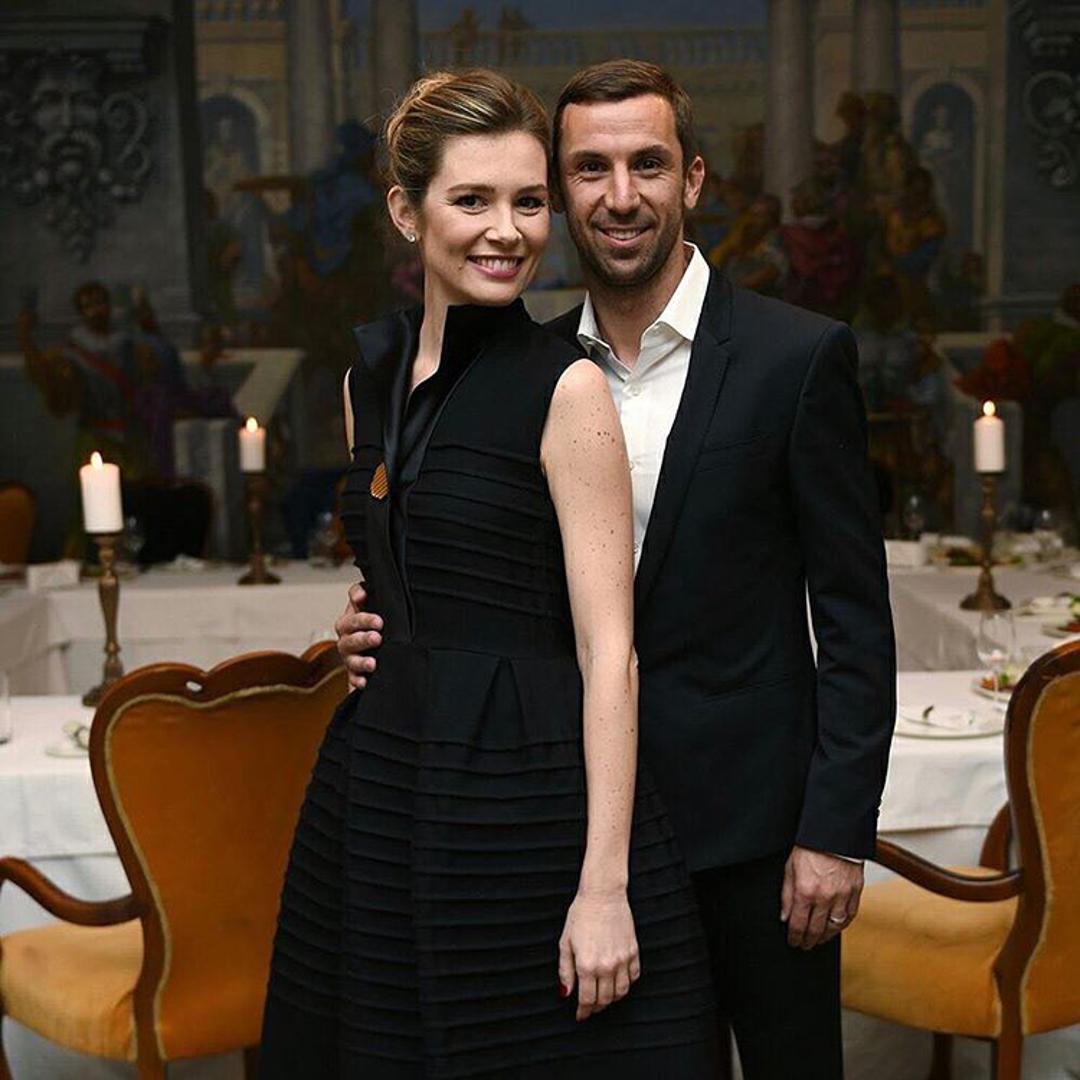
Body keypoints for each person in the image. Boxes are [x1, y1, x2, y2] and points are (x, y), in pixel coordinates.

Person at [338, 60, 897, 1079]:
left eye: (648, 164)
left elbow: (856, 617)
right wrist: (387, 620)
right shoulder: (527, 369)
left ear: (693, 178)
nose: (620, 196)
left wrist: (835, 832)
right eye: (589, 170)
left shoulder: (796, 358)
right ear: (561, 191)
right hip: (575, 827)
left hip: (754, 836)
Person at [260, 69, 719, 1078]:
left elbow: (610, 653)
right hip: (387, 782)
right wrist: (375, 612)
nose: (506, 230)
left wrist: (605, 888)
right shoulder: (368, 378)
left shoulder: (568, 390)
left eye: (528, 201)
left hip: (527, 792)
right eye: (472, 199)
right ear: (406, 211)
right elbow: (419, 554)